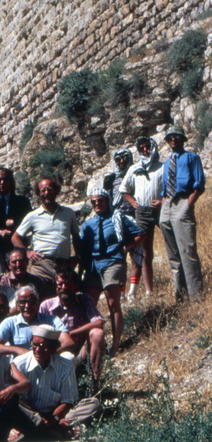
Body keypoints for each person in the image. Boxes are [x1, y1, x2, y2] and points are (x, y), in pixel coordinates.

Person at [11, 326, 101, 441]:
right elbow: (20, 401)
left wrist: (53, 418)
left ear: (53, 348)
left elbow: (68, 401)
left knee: (93, 404)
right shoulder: (19, 364)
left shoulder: (65, 366)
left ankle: (41, 430)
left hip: (55, 416)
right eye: (35, 345)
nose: (37, 350)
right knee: (14, 400)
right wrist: (39, 419)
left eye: (43, 346)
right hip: (29, 415)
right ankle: (52, 430)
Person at [81, 189, 142, 356]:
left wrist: (126, 248)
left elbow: (139, 234)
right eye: (93, 202)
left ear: (107, 201)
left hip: (113, 261)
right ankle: (90, 345)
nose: (97, 204)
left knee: (113, 303)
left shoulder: (118, 218)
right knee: (89, 304)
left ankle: (115, 346)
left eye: (100, 200)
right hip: (94, 266)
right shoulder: (88, 224)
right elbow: (83, 246)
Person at [158, 125, 205, 302]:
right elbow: (164, 188)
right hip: (167, 206)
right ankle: (180, 295)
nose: (173, 139)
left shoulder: (192, 158)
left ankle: (196, 297)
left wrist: (188, 204)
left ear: (183, 139)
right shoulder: (166, 164)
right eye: (170, 137)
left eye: (177, 136)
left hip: (183, 201)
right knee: (173, 255)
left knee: (187, 251)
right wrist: (164, 205)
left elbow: (199, 185)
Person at [41, 270, 105, 385]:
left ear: (75, 286)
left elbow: (99, 322)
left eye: (68, 284)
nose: (64, 287)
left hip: (81, 351)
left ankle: (95, 381)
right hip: (57, 351)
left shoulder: (84, 300)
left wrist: (71, 333)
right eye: (60, 284)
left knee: (97, 333)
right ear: (55, 286)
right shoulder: (46, 306)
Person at [12, 177, 82, 280]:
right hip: (41, 266)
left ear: (56, 191)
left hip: (64, 265)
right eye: (43, 190)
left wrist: (78, 257)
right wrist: (27, 252)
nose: (46, 193)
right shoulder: (33, 216)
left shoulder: (68, 213)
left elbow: (76, 237)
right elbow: (15, 237)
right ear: (38, 193)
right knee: (39, 290)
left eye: (50, 189)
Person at [120, 136, 163, 298]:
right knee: (145, 252)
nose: (145, 150)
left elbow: (170, 188)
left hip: (161, 211)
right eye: (141, 148)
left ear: (154, 147)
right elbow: (124, 189)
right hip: (142, 213)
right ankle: (149, 292)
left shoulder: (162, 167)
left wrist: (161, 201)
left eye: (148, 146)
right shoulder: (134, 168)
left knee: (173, 244)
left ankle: (181, 286)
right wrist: (133, 202)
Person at [0, 285, 74, 356]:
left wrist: (48, 353)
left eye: (31, 301)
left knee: (68, 356)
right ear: (17, 306)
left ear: (37, 303)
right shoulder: (10, 322)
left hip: (47, 362)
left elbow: (69, 342)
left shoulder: (52, 320)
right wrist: (18, 350)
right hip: (21, 364)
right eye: (22, 302)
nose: (27, 306)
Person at [0, 167, 32, 254]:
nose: (2, 182)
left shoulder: (22, 202)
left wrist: (14, 222)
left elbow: (28, 222)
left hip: (17, 246)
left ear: (11, 181)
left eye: (6, 179)